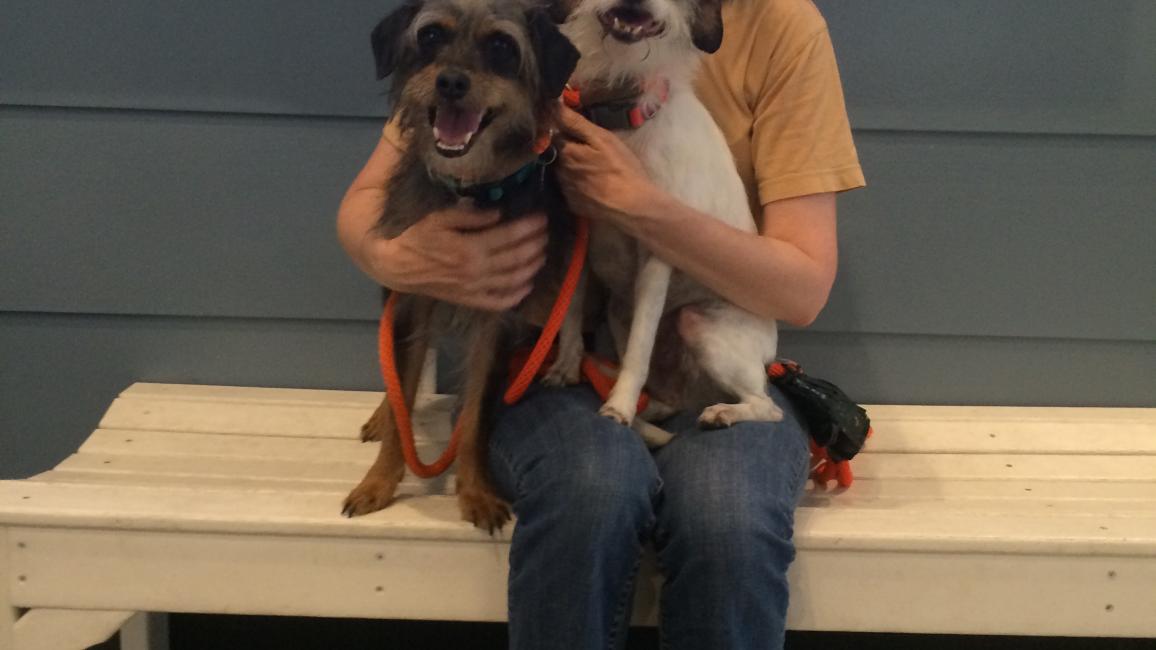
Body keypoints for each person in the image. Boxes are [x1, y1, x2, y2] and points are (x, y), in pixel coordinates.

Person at [336, 0, 864, 647]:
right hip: (555, 364)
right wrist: (398, 258)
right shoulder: (519, 15)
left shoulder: (782, 26)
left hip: (707, 359)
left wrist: (644, 208)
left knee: (727, 516)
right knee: (588, 491)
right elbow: (366, 203)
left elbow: (803, 288)